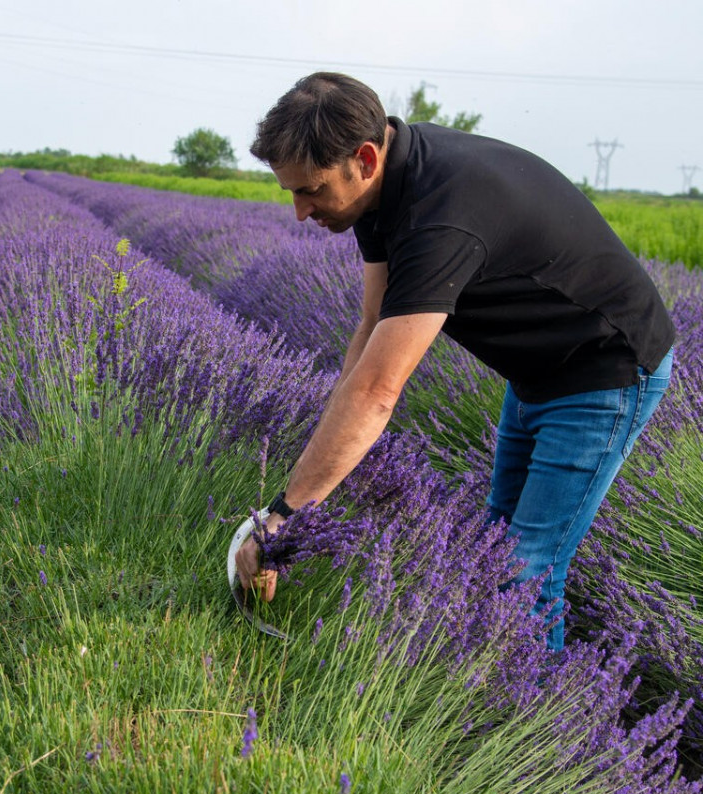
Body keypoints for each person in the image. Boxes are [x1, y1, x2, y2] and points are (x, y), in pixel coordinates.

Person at [234, 72, 674, 651]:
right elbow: (371, 330)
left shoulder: (440, 215)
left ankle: (537, 720)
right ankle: (499, 692)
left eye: (310, 190)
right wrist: (315, 473)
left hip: (605, 371)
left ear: (364, 158)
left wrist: (283, 519)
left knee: (525, 572)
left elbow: (378, 392)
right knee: (492, 546)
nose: (299, 211)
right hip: (537, 371)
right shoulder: (380, 186)